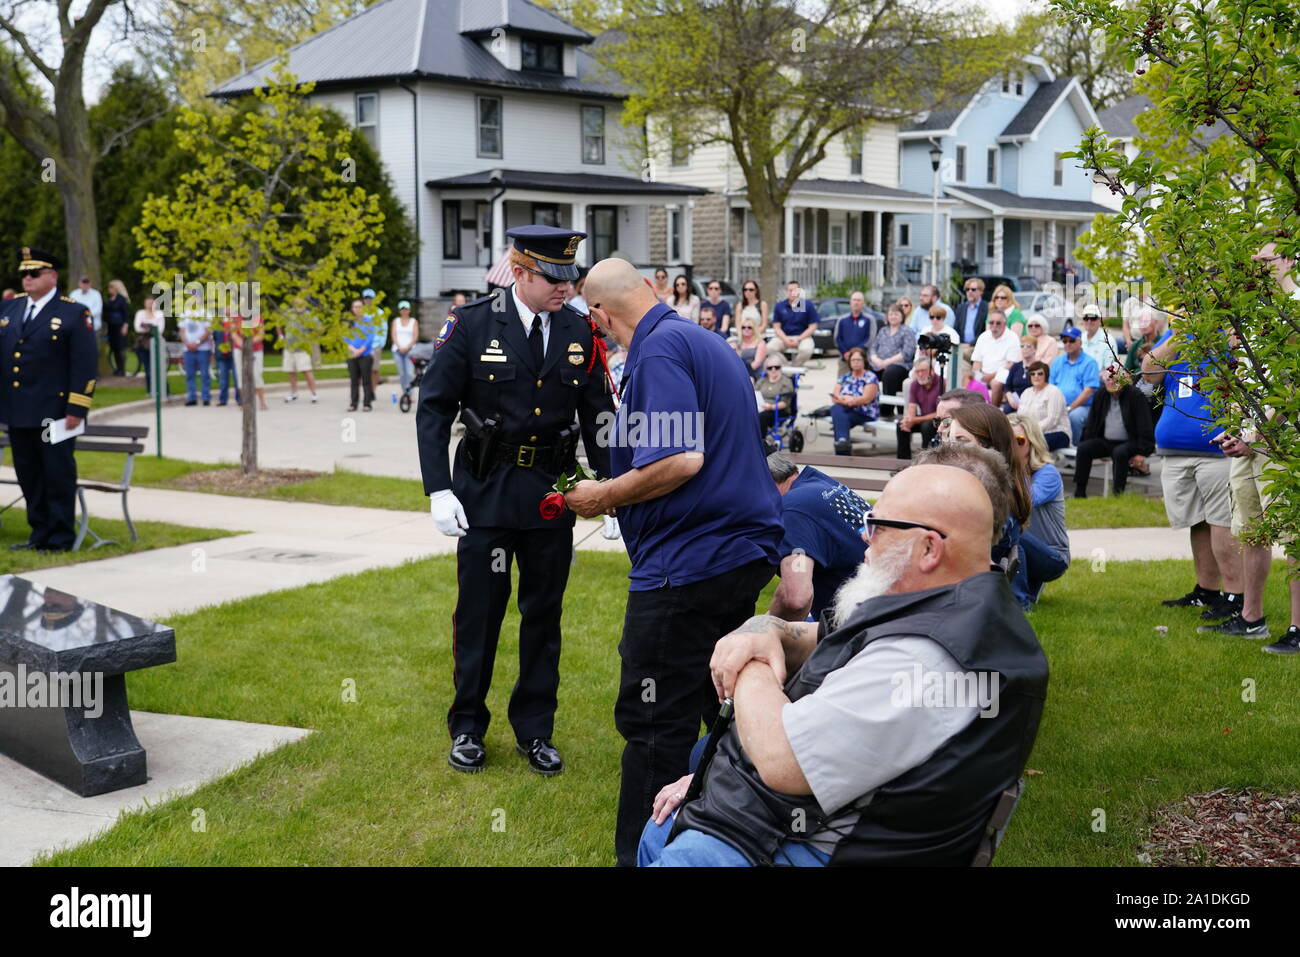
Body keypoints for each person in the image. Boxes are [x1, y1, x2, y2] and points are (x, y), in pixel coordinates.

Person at [637, 463, 1047, 867]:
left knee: (667, 830)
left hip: (802, 845)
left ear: (928, 549)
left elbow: (783, 761)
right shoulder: (952, 603)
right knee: (663, 822)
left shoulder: (923, 661)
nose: (863, 537)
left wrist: (752, 662)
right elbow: (824, 638)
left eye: (877, 525)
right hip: (806, 820)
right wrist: (767, 628)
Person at [563, 256, 781, 867]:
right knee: (721, 700)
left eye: (594, 319)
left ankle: (642, 856)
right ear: (652, 288)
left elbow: (680, 458)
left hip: (690, 563)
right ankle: (724, 830)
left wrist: (601, 496)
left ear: (600, 315)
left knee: (654, 719)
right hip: (732, 553)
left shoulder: (659, 351)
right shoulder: (698, 339)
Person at [418, 225, 616, 779]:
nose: (565, 287)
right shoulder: (474, 323)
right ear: (521, 272)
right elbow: (434, 408)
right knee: (479, 616)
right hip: (483, 490)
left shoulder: (579, 328)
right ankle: (467, 727)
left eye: (570, 277)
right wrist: (438, 487)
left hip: (549, 496)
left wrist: (610, 490)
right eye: (553, 277)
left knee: (542, 617)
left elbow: (598, 416)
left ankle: (535, 729)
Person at [1141, 324, 1243, 621]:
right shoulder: (1177, 335)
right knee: (1197, 522)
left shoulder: (1228, 326)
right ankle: (1206, 591)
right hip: (1176, 452)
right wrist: (1181, 333)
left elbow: (1244, 367)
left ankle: (1236, 596)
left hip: (1216, 449)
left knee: (1222, 522)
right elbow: (1149, 373)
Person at [0, 247, 98, 552]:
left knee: (56, 473)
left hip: (53, 412)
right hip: (18, 410)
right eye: (23, 274)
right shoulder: (10, 309)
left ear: (52, 276)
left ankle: (60, 537)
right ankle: (38, 533)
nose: (27, 279)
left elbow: (84, 364)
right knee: (28, 474)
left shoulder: (72, 312)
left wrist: (76, 408)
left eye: (34, 273)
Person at [766, 451, 870, 622]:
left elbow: (796, 598)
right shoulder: (816, 481)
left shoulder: (792, 509)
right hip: (884, 606)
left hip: (856, 626)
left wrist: (768, 631)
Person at [945, 402, 1034, 571]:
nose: (949, 448)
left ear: (989, 447)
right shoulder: (971, 489)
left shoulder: (991, 501)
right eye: (949, 438)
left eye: (960, 440)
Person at [1007, 413, 1070, 609]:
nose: (1012, 445)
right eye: (1007, 440)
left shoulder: (1047, 473)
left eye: (1018, 440)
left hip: (1053, 556)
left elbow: (1023, 503)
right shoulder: (1004, 471)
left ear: (1032, 442)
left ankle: (1020, 605)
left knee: (1011, 529)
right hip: (1023, 547)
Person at [1073, 365, 1154, 497]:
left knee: (1119, 452)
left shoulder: (1135, 395)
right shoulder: (1101, 394)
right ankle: (1079, 492)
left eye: (1114, 379)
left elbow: (1145, 426)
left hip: (1130, 442)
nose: (1111, 382)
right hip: (1106, 441)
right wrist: (1088, 440)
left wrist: (1143, 452)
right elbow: (1091, 423)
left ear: (1123, 380)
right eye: (1107, 380)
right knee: (1083, 448)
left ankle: (1118, 494)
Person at [1050, 325, 1100, 444]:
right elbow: (1050, 387)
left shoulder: (1090, 363)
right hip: (1059, 404)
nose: (1067, 344)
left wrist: (1070, 407)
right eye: (1065, 341)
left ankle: (1075, 448)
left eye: (1071, 340)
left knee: (1074, 417)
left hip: (1082, 406)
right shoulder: (1058, 361)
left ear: (1080, 342)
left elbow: (1088, 391)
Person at [830, 347, 880, 455]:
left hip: (865, 412)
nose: (856, 362)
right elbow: (835, 396)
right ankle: (843, 443)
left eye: (859, 360)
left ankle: (842, 448)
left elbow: (866, 399)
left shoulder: (870, 377)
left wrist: (849, 399)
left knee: (838, 416)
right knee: (837, 410)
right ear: (849, 362)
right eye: (853, 360)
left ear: (864, 361)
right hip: (847, 410)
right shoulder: (845, 377)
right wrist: (847, 400)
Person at [868, 304, 916, 412]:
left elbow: (907, 352)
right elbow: (873, 348)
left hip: (899, 365)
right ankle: (869, 404)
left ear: (902, 316)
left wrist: (887, 362)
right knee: (866, 371)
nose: (893, 317)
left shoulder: (907, 331)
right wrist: (875, 359)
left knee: (890, 373)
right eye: (891, 314)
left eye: (896, 314)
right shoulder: (883, 330)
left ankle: (887, 408)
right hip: (879, 363)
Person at [970, 309, 1021, 407]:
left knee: (995, 383)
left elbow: (1011, 364)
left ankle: (993, 410)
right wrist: (977, 374)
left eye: (998, 323)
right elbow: (977, 361)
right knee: (971, 381)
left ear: (1004, 323)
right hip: (984, 372)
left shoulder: (1012, 337)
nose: (994, 325)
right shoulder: (983, 336)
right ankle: (976, 411)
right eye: (991, 322)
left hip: (1004, 372)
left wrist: (990, 376)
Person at [1017, 361, 1071, 450]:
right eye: (1033, 374)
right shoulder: (1026, 392)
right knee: (1015, 442)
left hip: (1057, 433)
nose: (1036, 376)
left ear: (1046, 375)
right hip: (1031, 434)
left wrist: (1030, 431)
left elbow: (1052, 421)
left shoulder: (1054, 392)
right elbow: (1020, 416)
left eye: (1040, 373)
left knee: (1032, 445)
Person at [897, 356, 942, 459]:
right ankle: (903, 461)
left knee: (926, 426)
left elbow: (940, 413)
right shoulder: (915, 384)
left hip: (938, 420)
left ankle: (925, 460)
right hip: (923, 418)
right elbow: (911, 406)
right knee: (901, 425)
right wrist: (908, 420)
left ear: (932, 370)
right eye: (917, 372)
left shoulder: (942, 383)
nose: (920, 374)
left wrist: (915, 420)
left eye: (923, 371)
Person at [772, 280, 820, 366]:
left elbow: (813, 326)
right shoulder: (779, 306)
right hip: (784, 337)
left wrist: (799, 339)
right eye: (790, 290)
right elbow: (776, 327)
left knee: (806, 350)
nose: (792, 293)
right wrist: (785, 339)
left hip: (803, 337)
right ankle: (786, 367)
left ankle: (794, 368)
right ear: (787, 291)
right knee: (769, 348)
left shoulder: (808, 305)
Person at [280, 298, 318, 403]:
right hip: (289, 348)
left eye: (301, 304)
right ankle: (294, 393)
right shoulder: (288, 313)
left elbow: (318, 329)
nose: (299, 306)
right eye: (296, 303)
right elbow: (278, 323)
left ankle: (313, 393)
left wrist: (310, 338)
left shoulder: (309, 316)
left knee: (307, 371)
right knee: (291, 371)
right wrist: (280, 336)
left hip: (302, 349)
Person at [232, 310, 268, 411]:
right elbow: (234, 334)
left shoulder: (258, 317)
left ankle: (262, 402)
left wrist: (248, 343)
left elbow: (261, 334)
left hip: (255, 350)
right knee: (241, 375)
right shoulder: (236, 317)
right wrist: (242, 345)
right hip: (239, 350)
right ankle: (245, 403)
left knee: (257, 375)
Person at [833, 291, 877, 376]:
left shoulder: (870, 319)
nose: (856, 302)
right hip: (845, 360)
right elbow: (837, 338)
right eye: (854, 300)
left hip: (863, 359)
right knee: (843, 385)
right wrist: (845, 353)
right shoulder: (842, 320)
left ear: (863, 303)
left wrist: (856, 354)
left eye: (859, 300)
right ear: (850, 302)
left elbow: (870, 338)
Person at [344, 299, 375, 412]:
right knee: (354, 381)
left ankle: (367, 404)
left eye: (359, 307)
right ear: (352, 309)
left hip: (365, 354)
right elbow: (345, 338)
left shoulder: (368, 321)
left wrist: (360, 350)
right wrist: (353, 350)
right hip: (351, 355)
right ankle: (353, 403)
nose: (357, 309)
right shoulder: (349, 322)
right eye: (355, 307)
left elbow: (370, 338)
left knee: (366, 380)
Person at [178, 307, 212, 406]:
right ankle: (191, 397)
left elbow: (208, 331)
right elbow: (182, 331)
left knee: (204, 374)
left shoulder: (205, 312)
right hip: (188, 349)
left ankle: (206, 397)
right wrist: (187, 343)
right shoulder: (184, 312)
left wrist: (197, 343)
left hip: (203, 349)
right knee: (189, 375)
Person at [133, 294, 164, 394]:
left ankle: (163, 389)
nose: (150, 304)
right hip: (143, 345)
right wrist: (151, 328)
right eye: (148, 302)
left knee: (157, 368)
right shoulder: (140, 313)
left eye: (152, 302)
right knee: (147, 368)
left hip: (155, 343)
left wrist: (146, 327)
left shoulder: (159, 314)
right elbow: (138, 328)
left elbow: (160, 329)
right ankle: (150, 390)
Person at [212, 308, 242, 407]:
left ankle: (240, 399)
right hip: (222, 356)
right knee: (223, 379)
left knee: (237, 378)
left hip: (234, 354)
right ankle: (223, 399)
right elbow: (214, 339)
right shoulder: (218, 323)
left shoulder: (236, 322)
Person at [1078, 303, 1120, 371]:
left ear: (1100, 320)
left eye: (1093, 318)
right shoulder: (1079, 338)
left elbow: (1110, 370)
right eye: (1086, 318)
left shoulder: (1108, 341)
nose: (1089, 321)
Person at [756, 357, 794, 433]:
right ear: (766, 370)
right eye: (770, 368)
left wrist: (771, 407)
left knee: (762, 416)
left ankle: (761, 440)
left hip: (778, 409)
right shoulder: (762, 381)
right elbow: (754, 392)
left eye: (776, 367)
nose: (773, 370)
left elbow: (785, 403)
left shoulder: (786, 382)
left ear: (780, 368)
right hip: (761, 407)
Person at [390, 300, 419, 395]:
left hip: (410, 351)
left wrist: (407, 347)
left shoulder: (413, 321)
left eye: (406, 309)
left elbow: (415, 337)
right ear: (399, 311)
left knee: (409, 373)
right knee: (402, 374)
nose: (404, 311)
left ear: (409, 310)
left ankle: (410, 393)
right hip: (397, 350)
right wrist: (400, 347)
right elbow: (393, 336)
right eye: (402, 309)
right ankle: (405, 392)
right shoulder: (396, 321)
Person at [1123, 306, 1163, 374]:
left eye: (1146, 321)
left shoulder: (1163, 343)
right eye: (1141, 321)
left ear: (1155, 323)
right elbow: (1127, 370)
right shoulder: (1135, 345)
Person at [1002, 335, 1037, 412]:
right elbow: (1007, 386)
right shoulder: (1016, 366)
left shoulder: (1039, 367)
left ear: (1035, 349)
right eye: (1022, 346)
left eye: (1028, 346)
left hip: (1032, 402)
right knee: (1007, 409)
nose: (1025, 349)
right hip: (1015, 401)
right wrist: (1011, 399)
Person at [103, 279, 131, 376]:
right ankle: (118, 368)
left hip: (119, 325)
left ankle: (122, 369)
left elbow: (126, 315)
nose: (109, 289)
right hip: (111, 326)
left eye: (111, 287)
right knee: (114, 348)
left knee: (119, 348)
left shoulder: (121, 299)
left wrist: (125, 326)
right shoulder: (110, 299)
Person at [362, 288, 387, 393]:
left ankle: (372, 391)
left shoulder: (380, 313)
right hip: (363, 346)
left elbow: (384, 329)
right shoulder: (360, 312)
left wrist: (381, 344)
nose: (368, 300)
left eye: (370, 298)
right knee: (364, 370)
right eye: (366, 298)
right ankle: (366, 390)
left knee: (374, 369)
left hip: (375, 345)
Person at [956, 276, 989, 348]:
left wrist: (971, 344)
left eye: (973, 289)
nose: (970, 292)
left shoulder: (987, 308)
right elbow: (957, 328)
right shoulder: (961, 308)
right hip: (962, 346)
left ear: (981, 291)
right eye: (967, 289)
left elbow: (986, 331)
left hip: (979, 346)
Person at [733, 315, 768, 381]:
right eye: (743, 327)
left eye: (749, 327)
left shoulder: (760, 342)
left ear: (754, 329)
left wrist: (742, 372)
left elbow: (757, 363)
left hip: (755, 374)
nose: (746, 329)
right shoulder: (738, 342)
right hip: (740, 372)